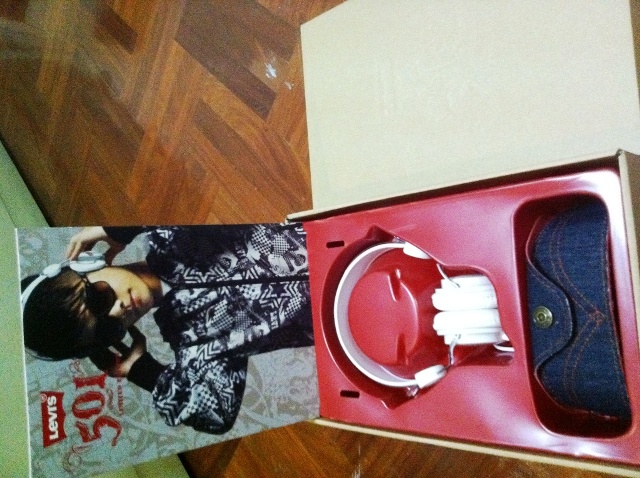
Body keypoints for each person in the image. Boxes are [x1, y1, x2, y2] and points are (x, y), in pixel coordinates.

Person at [21, 224, 313, 434]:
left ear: (86, 264)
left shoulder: (170, 235)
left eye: (98, 299)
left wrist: (118, 228)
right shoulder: (192, 338)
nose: (117, 311)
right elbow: (216, 413)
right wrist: (143, 371)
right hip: (336, 310)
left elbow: (188, 179)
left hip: (330, 230)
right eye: (107, 329)